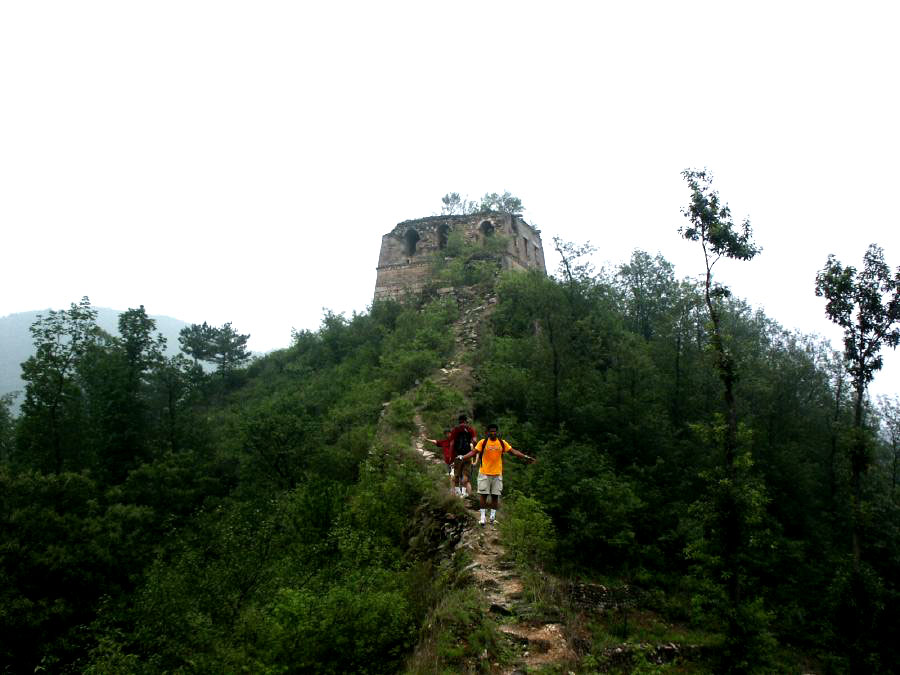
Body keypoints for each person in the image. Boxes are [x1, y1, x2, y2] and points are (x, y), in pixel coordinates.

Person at [460, 423, 534, 526]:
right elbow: (474, 452)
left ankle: (492, 518)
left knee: (495, 496)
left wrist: (525, 457)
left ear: (497, 432)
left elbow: (513, 451)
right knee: (483, 495)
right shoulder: (483, 442)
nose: (493, 432)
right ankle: (482, 518)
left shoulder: (502, 443)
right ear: (487, 432)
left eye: (494, 431)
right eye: (491, 431)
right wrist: (462, 457)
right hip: (484, 473)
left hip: (497, 474)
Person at [447, 414, 477, 497]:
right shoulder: (470, 429)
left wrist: (451, 456)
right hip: (467, 455)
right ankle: (463, 493)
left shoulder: (455, 430)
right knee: (465, 474)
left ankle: (457, 492)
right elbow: (474, 441)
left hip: (457, 455)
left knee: (456, 474)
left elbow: (452, 443)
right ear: (466, 421)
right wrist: (473, 451)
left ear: (459, 421)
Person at [425, 428, 454, 493]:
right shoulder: (444, 442)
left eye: (448, 433)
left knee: (453, 475)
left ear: (451, 433)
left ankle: (455, 490)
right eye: (446, 434)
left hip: (454, 461)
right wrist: (428, 440)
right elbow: (436, 441)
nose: (447, 434)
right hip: (447, 462)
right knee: (450, 475)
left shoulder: (454, 441)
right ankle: (453, 490)